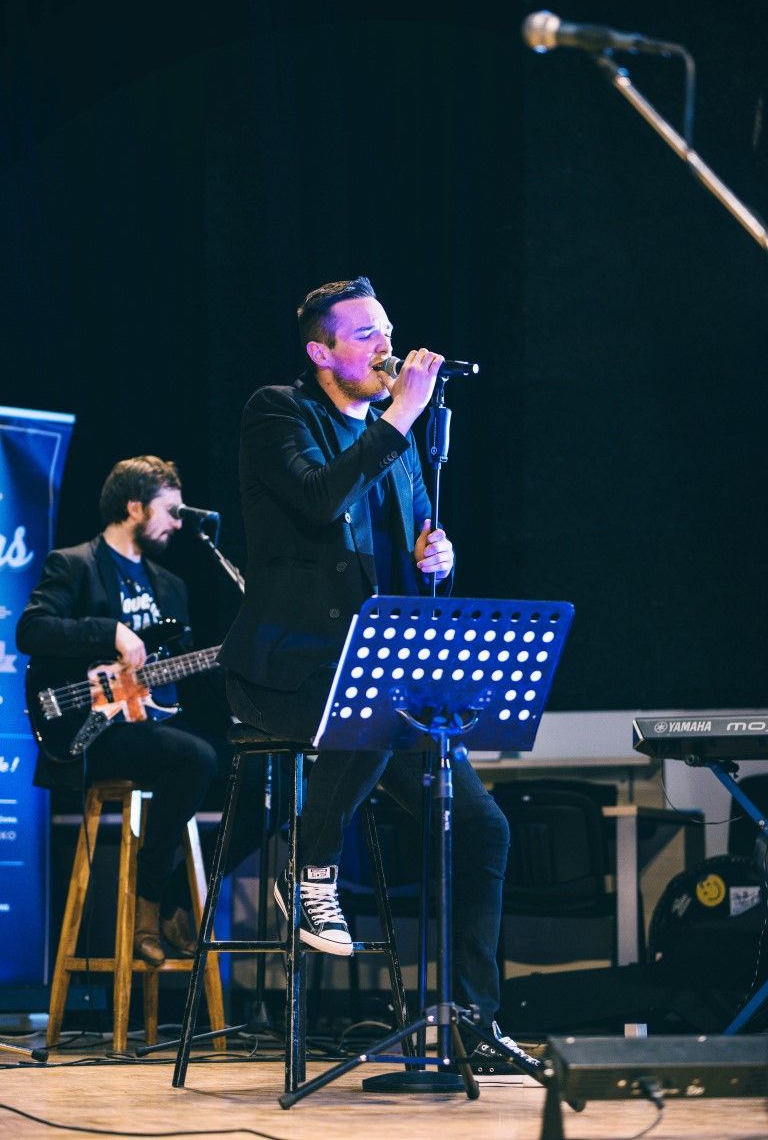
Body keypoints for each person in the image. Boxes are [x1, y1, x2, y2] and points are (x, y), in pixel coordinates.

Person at [219, 276, 542, 1077]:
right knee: (381, 709)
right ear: (321, 352)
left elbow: (417, 575)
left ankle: (472, 1023)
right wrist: (400, 418)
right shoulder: (278, 413)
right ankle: (310, 861)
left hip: (380, 687)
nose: (386, 346)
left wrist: (441, 561)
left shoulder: (397, 450)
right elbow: (319, 501)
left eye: (386, 330)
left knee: (483, 828)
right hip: (292, 673)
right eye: (365, 334)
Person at [16, 455, 264, 968]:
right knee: (193, 757)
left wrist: (242, 666)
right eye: (170, 511)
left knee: (266, 781)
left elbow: (182, 673)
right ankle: (146, 904)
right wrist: (111, 631)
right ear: (134, 507)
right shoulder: (75, 564)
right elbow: (32, 630)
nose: (178, 523)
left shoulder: (170, 585)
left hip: (155, 725)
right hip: (94, 731)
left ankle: (175, 894)